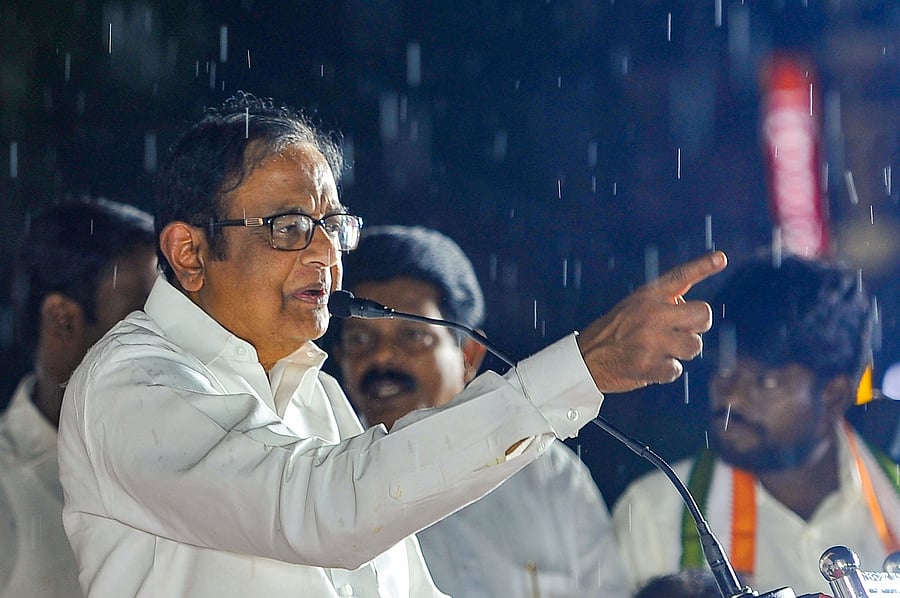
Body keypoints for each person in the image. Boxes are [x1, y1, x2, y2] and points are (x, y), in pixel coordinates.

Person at [57, 92, 726, 598]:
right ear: (190, 251)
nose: (326, 255)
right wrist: (581, 367)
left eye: (332, 225)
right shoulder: (134, 384)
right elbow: (325, 509)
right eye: (291, 227)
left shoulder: (314, 397)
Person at [331, 224, 631, 597]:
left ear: (469, 354)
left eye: (412, 336)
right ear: (340, 357)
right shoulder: (327, 477)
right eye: (361, 339)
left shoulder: (546, 472)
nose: (381, 357)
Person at [612, 252, 897, 596]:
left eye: (767, 382)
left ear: (834, 395)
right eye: (725, 369)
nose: (731, 398)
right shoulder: (653, 514)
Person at [0, 197, 157, 597]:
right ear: (63, 320)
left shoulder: (180, 452)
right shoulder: (9, 488)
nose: (167, 342)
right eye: (141, 317)